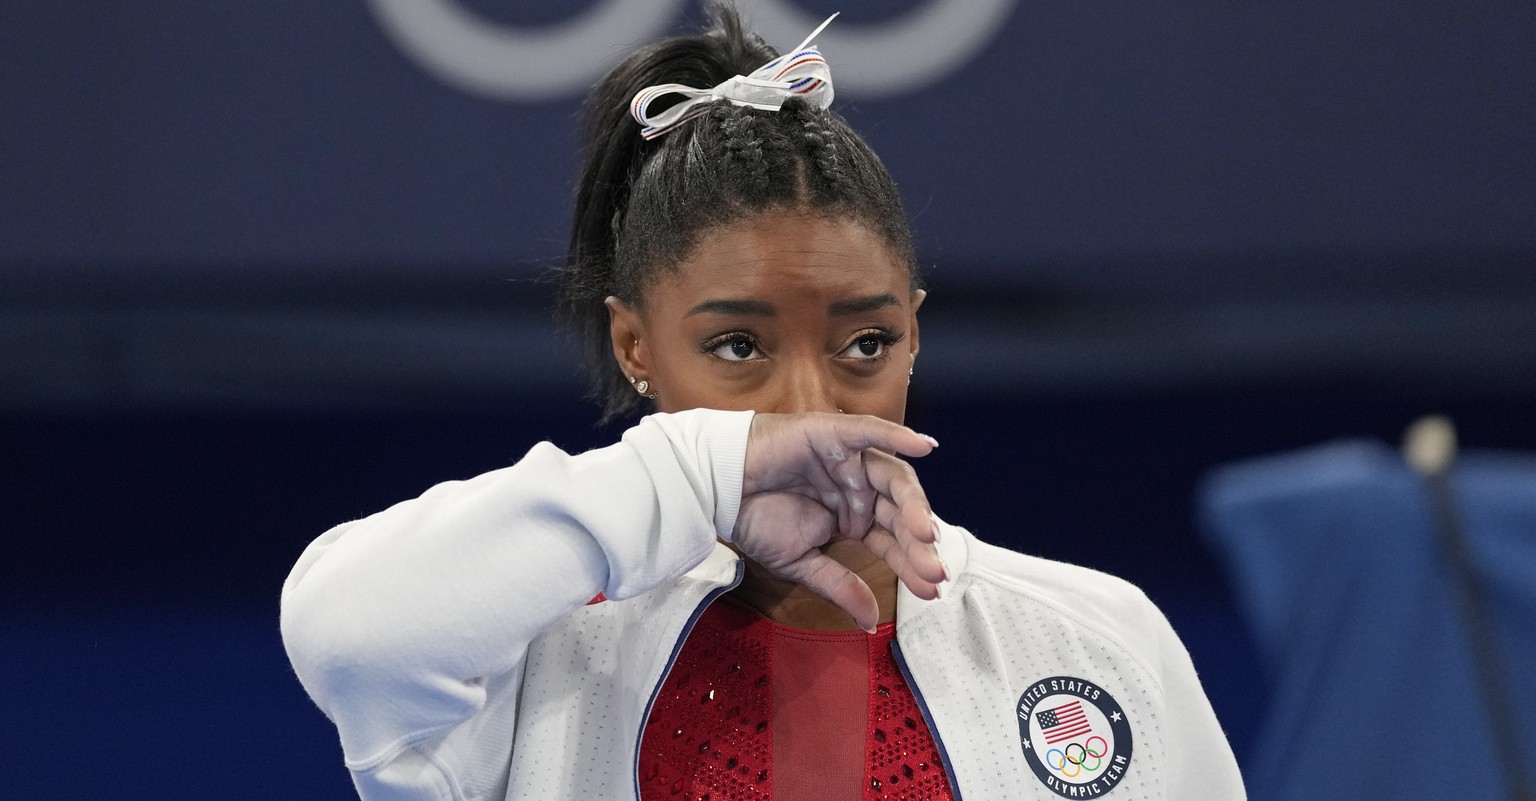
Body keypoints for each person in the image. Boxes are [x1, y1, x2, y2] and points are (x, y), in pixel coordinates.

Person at [281, 5, 1245, 800]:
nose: (810, 408)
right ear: (635, 346)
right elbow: (343, 632)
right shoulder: (541, 650)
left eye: (865, 343)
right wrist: (697, 471)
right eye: (738, 346)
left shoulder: (1096, 639)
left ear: (915, 333)